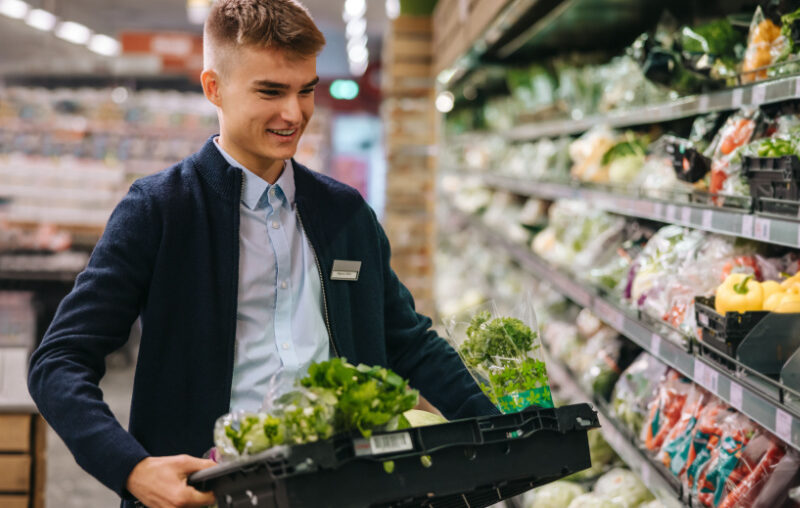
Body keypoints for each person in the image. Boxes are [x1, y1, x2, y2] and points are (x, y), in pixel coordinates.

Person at [27, 1, 497, 506]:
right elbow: (59, 361)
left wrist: (507, 430)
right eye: (270, 91)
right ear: (215, 88)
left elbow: (408, 344)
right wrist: (133, 469)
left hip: (345, 489)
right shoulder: (161, 209)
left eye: (306, 90)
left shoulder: (345, 214)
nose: (294, 114)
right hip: (208, 494)